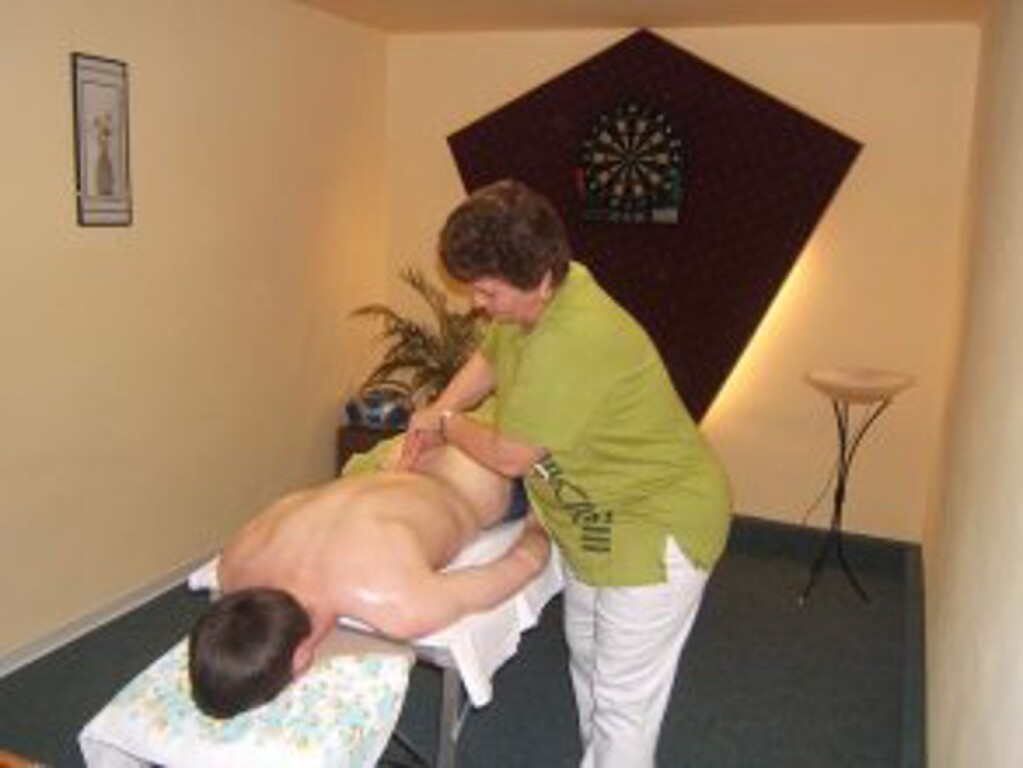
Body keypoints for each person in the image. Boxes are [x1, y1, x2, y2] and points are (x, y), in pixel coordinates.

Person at [400, 179, 732, 768]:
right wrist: (436, 409)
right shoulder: (544, 294)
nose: (478, 304)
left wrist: (448, 424)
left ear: (538, 279)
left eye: (488, 292)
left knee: (623, 699)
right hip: (591, 517)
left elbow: (510, 456)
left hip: (654, 525)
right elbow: (490, 357)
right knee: (588, 656)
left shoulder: (576, 336)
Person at [188, 442, 550, 719]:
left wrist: (544, 516)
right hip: (402, 453)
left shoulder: (397, 603)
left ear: (300, 661)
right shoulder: (235, 563)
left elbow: (526, 561)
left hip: (482, 470)